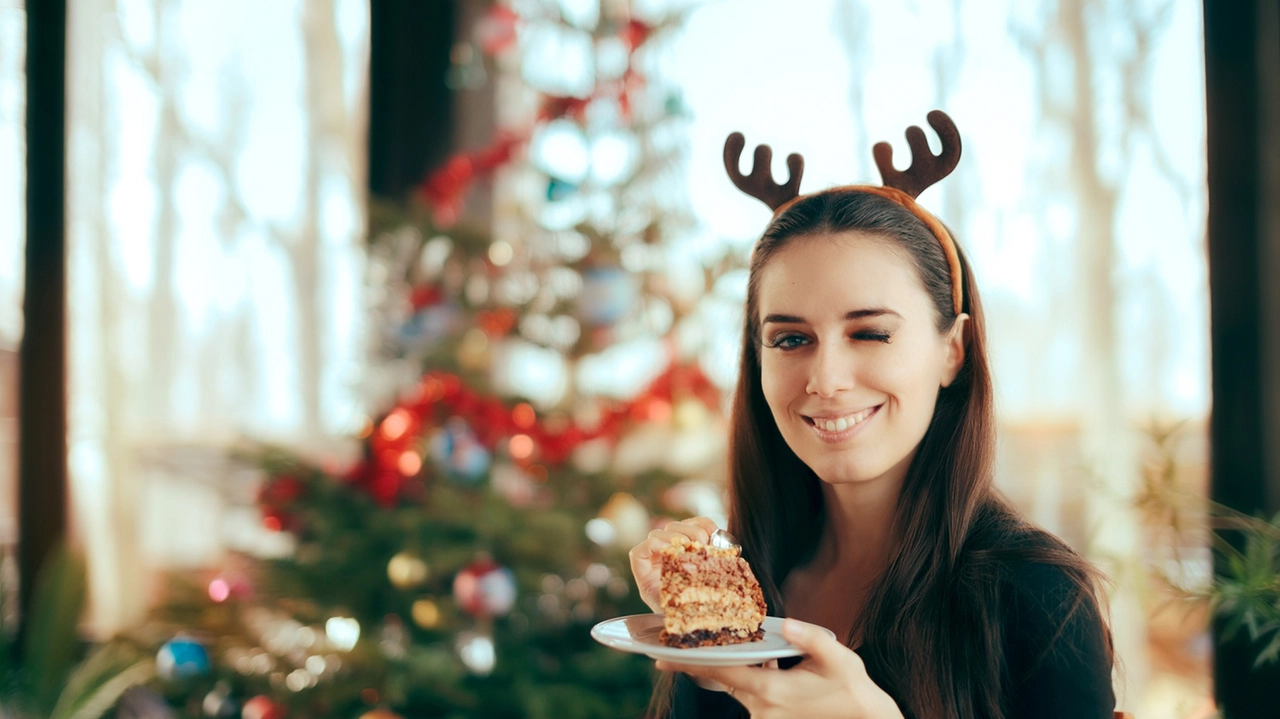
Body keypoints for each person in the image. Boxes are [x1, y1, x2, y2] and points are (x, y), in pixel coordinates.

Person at [628, 112, 1116, 719]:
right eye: (789, 340)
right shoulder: (744, 593)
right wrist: (702, 633)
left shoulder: (1037, 599)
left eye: (870, 333)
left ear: (952, 351)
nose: (826, 380)